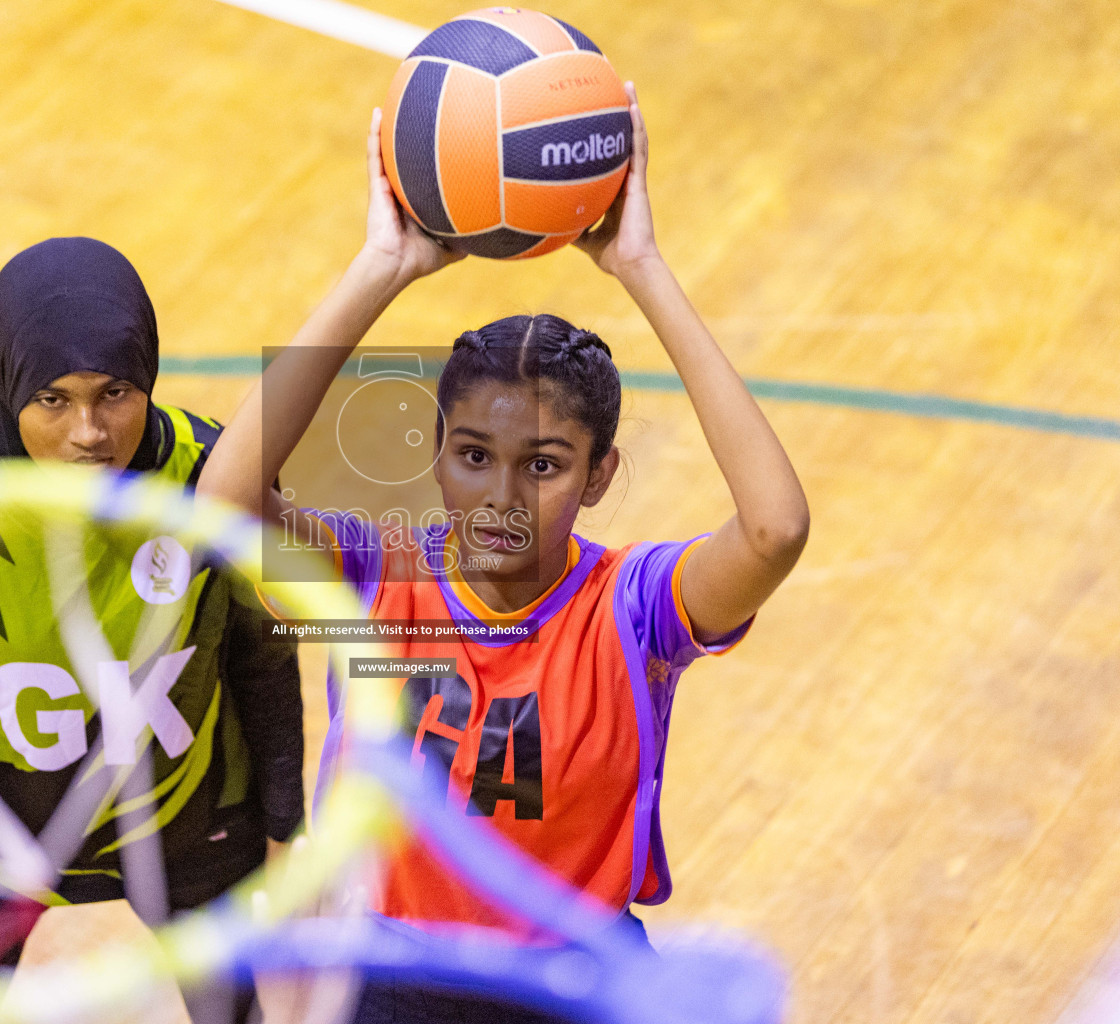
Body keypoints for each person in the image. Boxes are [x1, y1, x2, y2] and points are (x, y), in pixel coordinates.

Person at [195, 85, 809, 1023]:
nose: (502, 499)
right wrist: (381, 267)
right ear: (436, 451)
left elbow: (775, 530)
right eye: (474, 456)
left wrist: (640, 265)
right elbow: (226, 503)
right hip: (396, 977)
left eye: (547, 465)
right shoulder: (374, 575)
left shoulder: (633, 607)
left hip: (572, 978)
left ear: (601, 475)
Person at [0, 237, 304, 1022]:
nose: (89, 431)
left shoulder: (214, 476)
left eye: (115, 392)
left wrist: (288, 833)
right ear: (9, 384)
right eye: (53, 399)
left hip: (188, 825)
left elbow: (261, 664)